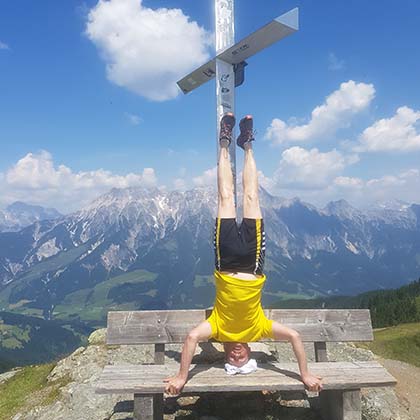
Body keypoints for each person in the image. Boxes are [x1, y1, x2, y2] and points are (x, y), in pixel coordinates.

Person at [164, 113, 323, 395]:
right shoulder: (259, 329)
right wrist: (306, 374)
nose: (237, 356)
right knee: (252, 197)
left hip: (225, 262)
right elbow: (295, 337)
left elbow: (191, 338)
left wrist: (181, 377)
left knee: (225, 197)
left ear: (225, 353)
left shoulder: (217, 329)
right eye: (242, 359)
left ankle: (224, 142)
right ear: (250, 351)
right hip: (253, 263)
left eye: (232, 359)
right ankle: (247, 144)